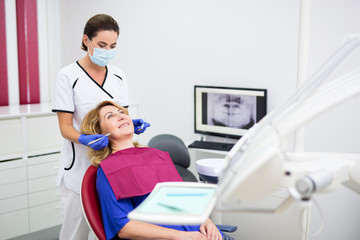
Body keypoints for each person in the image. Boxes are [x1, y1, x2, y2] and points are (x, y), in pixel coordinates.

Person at [52, 14, 150, 240]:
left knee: (110, 230)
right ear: (86, 41)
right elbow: (65, 128)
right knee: (74, 233)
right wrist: (85, 138)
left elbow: (121, 113)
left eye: (113, 46)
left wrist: (131, 124)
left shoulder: (118, 75)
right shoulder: (69, 75)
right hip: (79, 169)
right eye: (102, 45)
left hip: (113, 166)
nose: (108, 50)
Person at [81, 100, 223, 240]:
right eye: (110, 116)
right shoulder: (108, 170)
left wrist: (207, 222)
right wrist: (180, 236)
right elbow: (124, 228)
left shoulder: (156, 154)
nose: (121, 116)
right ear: (99, 132)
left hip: (199, 232)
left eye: (122, 112)